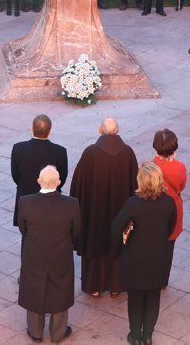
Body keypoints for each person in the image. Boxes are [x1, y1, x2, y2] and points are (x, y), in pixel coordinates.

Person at [70, 118, 138, 297]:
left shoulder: (90, 153)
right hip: (121, 212)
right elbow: (135, 186)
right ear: (118, 130)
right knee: (118, 244)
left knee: (95, 240)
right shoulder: (128, 153)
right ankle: (116, 285)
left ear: (100, 130)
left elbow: (77, 186)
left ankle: (94, 286)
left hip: (94, 214)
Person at [110, 162, 176, 345]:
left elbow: (116, 227)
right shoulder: (169, 203)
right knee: (153, 298)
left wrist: (119, 248)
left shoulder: (133, 204)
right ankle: (147, 335)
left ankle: (135, 335)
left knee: (136, 299)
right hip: (158, 257)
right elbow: (171, 226)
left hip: (134, 258)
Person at [17, 166, 79, 343]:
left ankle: (35, 331)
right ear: (59, 183)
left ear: (38, 181)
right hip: (60, 255)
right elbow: (76, 231)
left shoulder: (25, 202)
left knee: (34, 287)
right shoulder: (71, 204)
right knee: (60, 289)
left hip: (34, 254)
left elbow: (23, 229)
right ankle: (58, 332)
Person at [11, 114, 69, 227]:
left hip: (25, 197)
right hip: (51, 200)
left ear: (31, 129)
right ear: (50, 131)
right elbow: (62, 178)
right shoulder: (60, 152)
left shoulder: (18, 148)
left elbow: (15, 175)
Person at [151, 129, 187, 286]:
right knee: (168, 247)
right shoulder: (180, 167)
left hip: (153, 209)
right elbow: (182, 185)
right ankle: (163, 280)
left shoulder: (151, 167)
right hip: (173, 210)